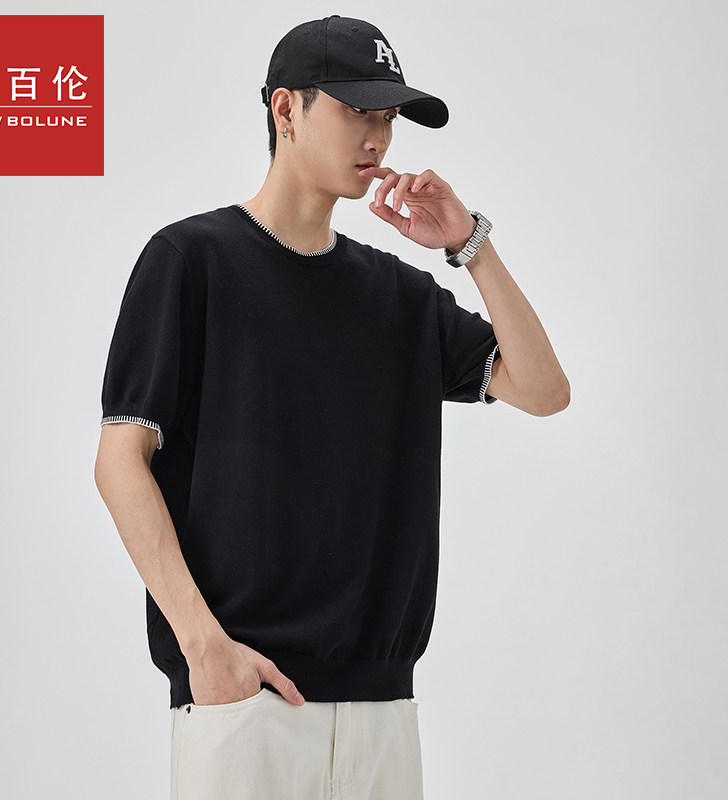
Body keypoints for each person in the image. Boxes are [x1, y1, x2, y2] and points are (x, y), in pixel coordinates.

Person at [94, 14, 569, 800]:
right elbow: (120, 463)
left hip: (383, 710)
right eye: (357, 111)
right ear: (286, 109)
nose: (377, 137)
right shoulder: (192, 261)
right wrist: (204, 648)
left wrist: (470, 244)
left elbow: (545, 390)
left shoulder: (400, 297)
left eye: (388, 117)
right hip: (245, 700)